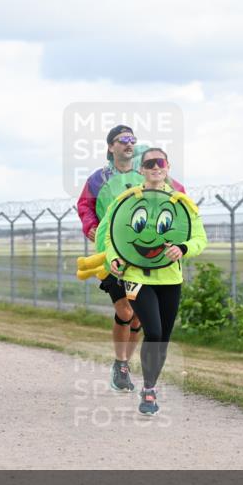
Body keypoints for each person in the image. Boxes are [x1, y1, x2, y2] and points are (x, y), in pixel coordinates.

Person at [76, 124, 187, 392]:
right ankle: (120, 362)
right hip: (111, 253)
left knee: (138, 317)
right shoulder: (98, 179)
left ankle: (124, 366)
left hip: (143, 257)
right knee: (124, 310)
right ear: (110, 147)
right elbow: (84, 206)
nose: (128, 143)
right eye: (122, 140)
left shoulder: (145, 173)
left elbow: (178, 198)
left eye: (132, 139)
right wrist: (91, 225)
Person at [100, 148, 207, 415]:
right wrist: (114, 258)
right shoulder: (126, 200)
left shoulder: (182, 203)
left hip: (170, 278)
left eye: (160, 162)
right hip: (135, 277)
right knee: (154, 331)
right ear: (141, 169)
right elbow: (112, 237)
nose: (155, 167)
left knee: (163, 338)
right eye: (149, 163)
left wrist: (183, 248)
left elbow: (199, 239)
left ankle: (149, 387)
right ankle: (147, 391)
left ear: (168, 166)